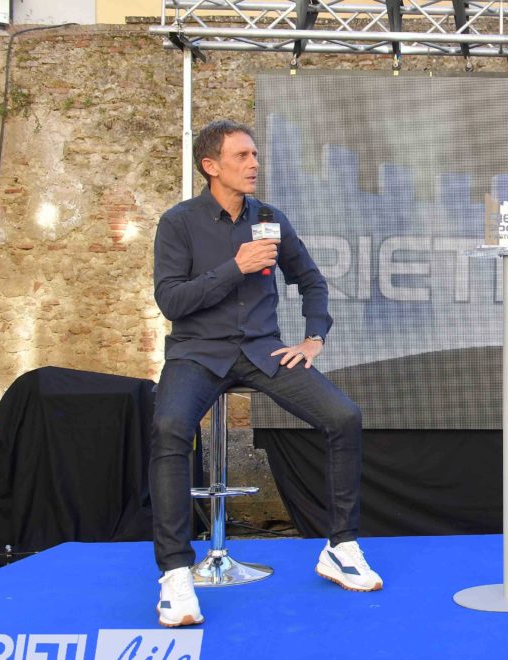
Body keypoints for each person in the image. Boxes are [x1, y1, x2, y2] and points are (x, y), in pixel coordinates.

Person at [150, 120, 381, 628]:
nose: (254, 164)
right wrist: (234, 267)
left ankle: (340, 547)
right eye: (242, 156)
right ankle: (175, 573)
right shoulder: (178, 222)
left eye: (255, 154)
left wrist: (314, 338)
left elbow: (311, 281)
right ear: (211, 166)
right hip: (197, 353)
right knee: (168, 429)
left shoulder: (271, 219)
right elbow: (171, 301)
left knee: (343, 416)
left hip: (261, 351)